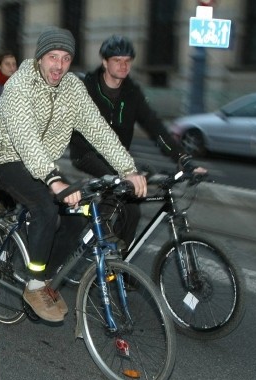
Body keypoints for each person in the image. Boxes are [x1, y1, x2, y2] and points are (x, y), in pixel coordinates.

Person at [0, 27, 146, 323]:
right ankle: (33, 284)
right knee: (46, 209)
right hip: (5, 158)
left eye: (66, 58)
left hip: (42, 164)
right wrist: (53, 179)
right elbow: (25, 138)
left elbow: (98, 130)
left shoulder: (72, 88)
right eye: (52, 57)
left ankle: (44, 277)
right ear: (40, 58)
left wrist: (128, 168)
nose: (59, 66)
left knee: (77, 217)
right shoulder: (19, 85)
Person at [69, 35, 199, 248]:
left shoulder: (131, 92)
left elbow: (154, 127)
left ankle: (119, 263)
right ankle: (98, 236)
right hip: (86, 152)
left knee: (132, 206)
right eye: (117, 60)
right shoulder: (88, 88)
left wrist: (181, 157)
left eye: (127, 61)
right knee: (126, 200)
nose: (123, 65)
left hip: (118, 158)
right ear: (105, 62)